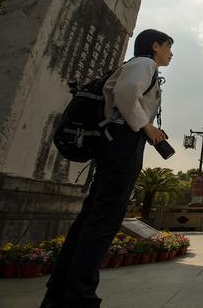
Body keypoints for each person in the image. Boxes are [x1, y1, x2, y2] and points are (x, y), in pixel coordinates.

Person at [40, 29, 173, 308]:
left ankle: (59, 293)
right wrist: (146, 126)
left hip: (114, 139)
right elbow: (126, 93)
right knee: (104, 220)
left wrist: (148, 128)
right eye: (168, 47)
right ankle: (80, 297)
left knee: (90, 219)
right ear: (155, 45)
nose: (170, 53)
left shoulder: (136, 66)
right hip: (123, 142)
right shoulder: (144, 63)